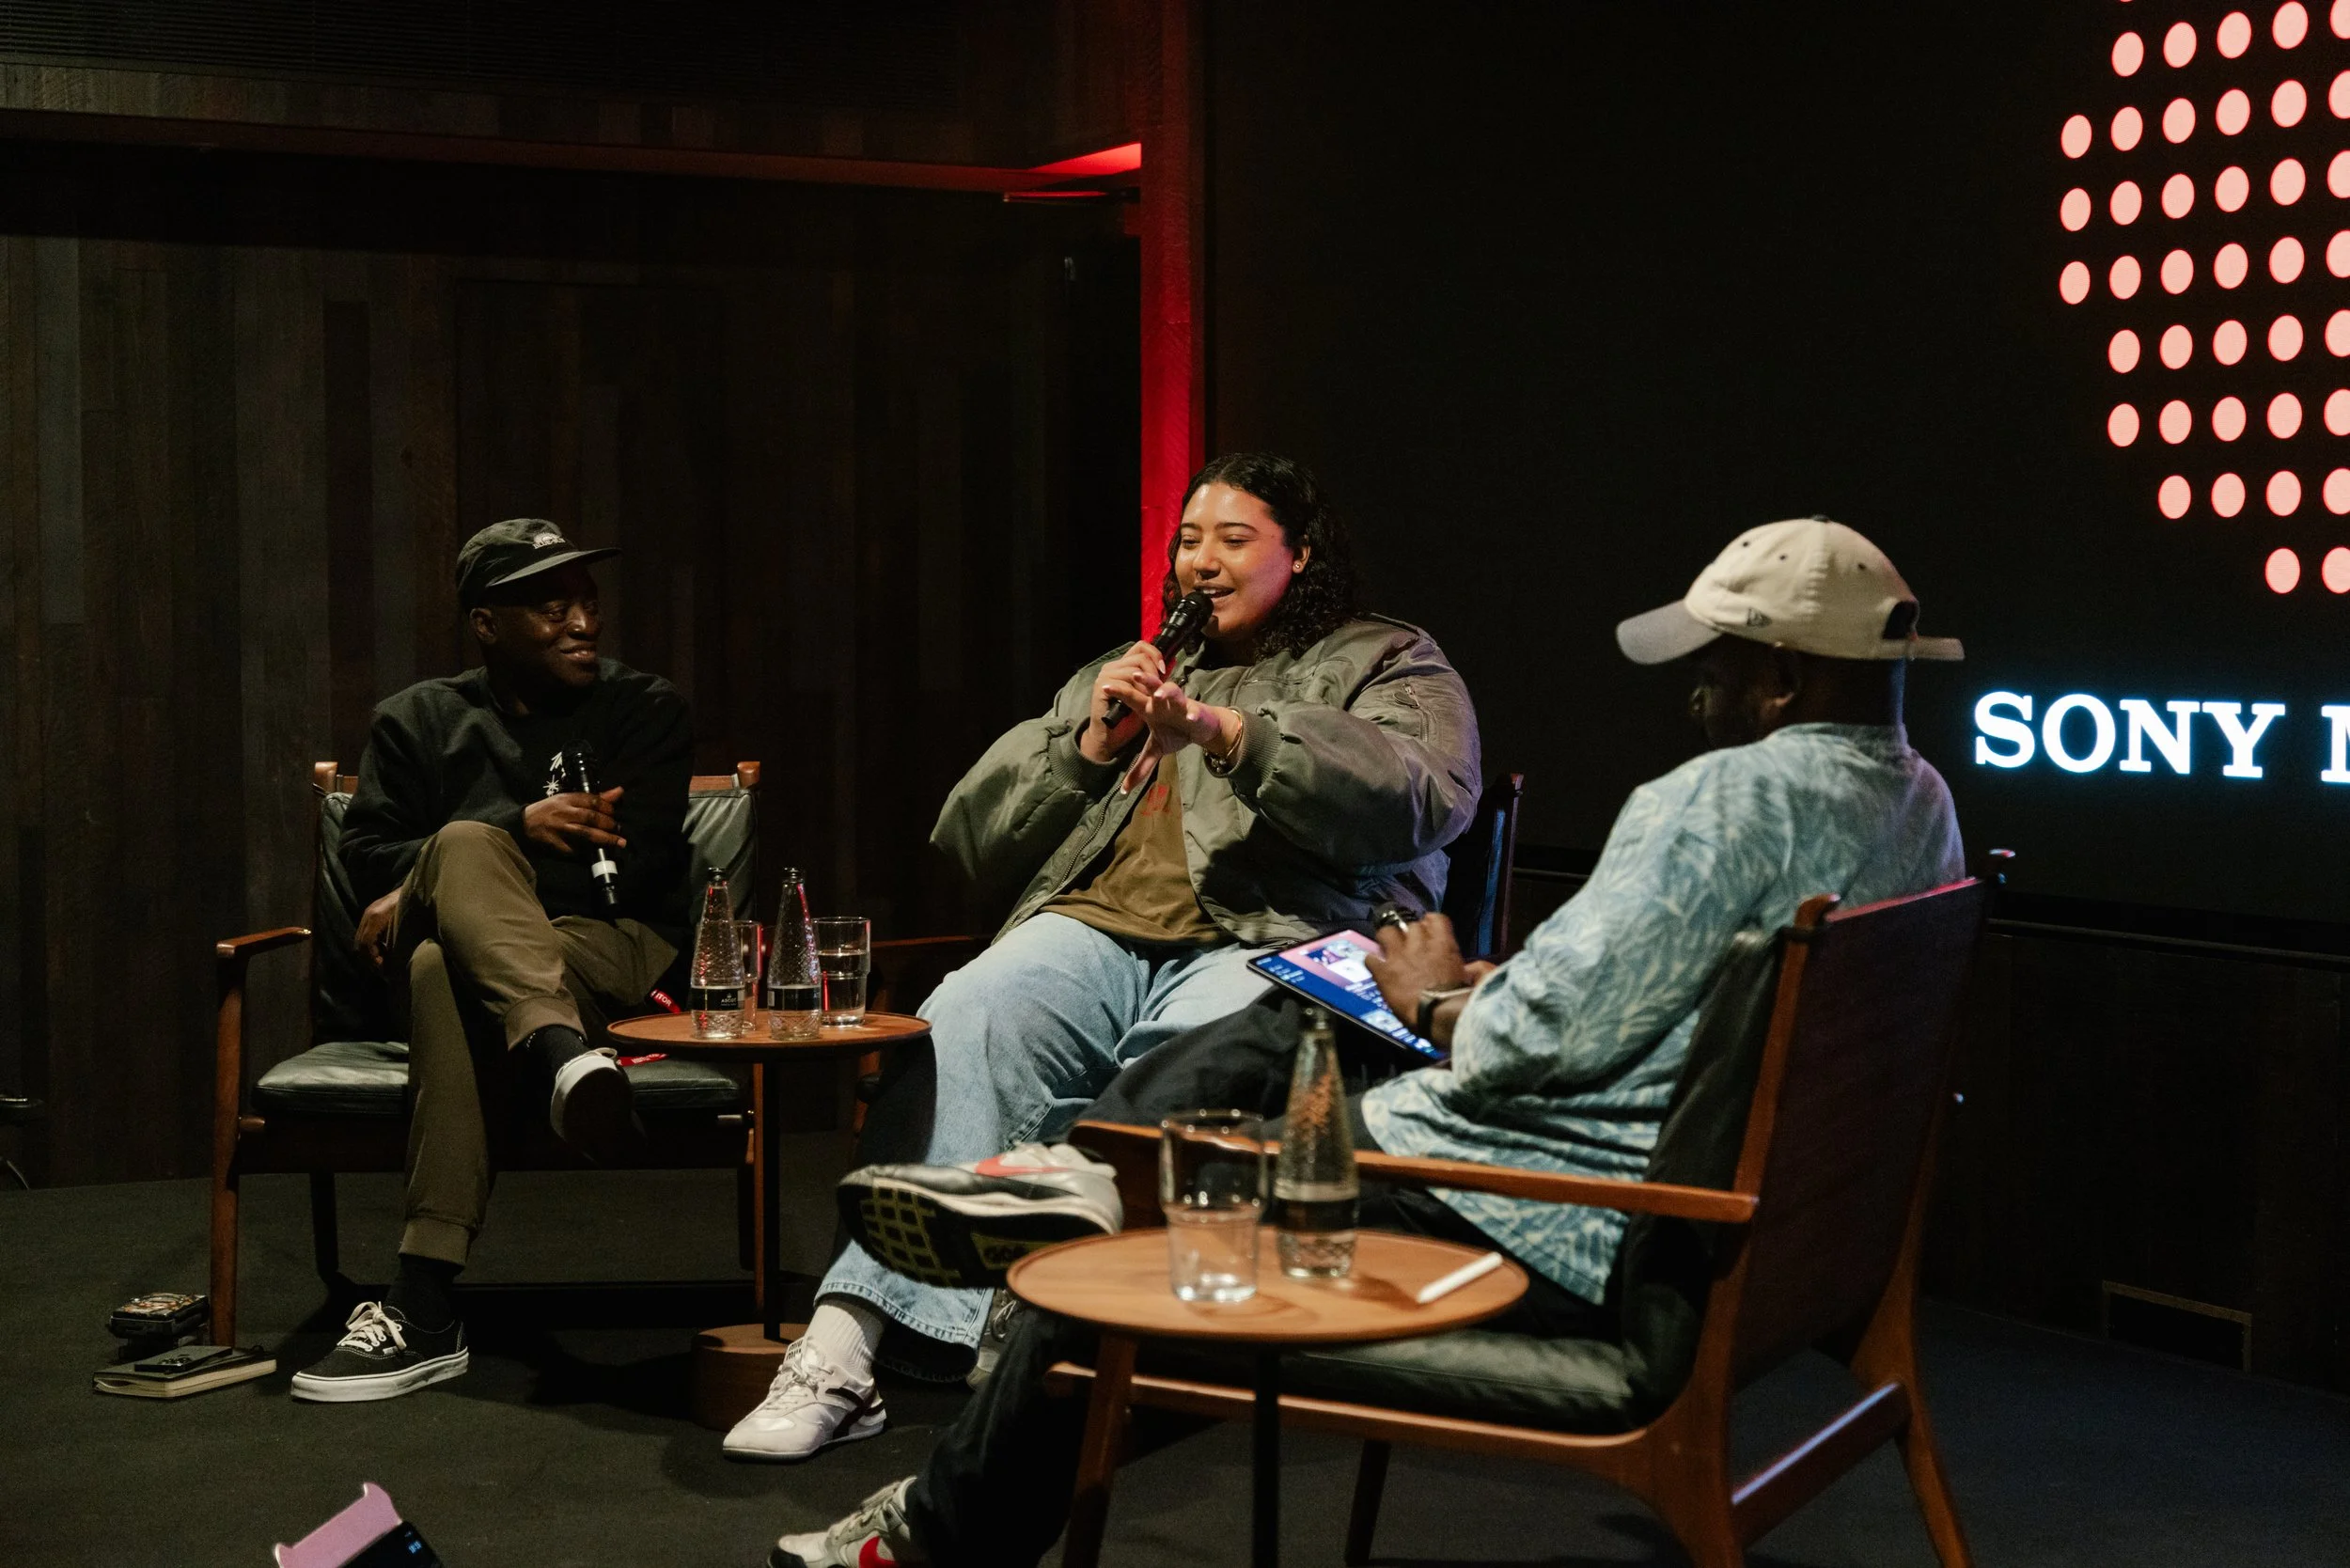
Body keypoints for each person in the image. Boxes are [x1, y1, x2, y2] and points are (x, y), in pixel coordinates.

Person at [764, 515, 1967, 1566]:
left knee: (1125, 1268)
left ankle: (932, 1529)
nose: (1694, 694)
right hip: (1711, 1219)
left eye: (1713, 667)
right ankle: (1100, 1179)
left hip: (1534, 1210)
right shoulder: (1919, 803)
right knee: (1315, 1000)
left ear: (1780, 678)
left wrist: (1442, 1002)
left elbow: (1513, 1049)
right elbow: (1658, 997)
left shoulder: (1708, 800)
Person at [721, 453, 1482, 1462]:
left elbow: (1421, 795)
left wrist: (1230, 732)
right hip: (1094, 928)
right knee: (965, 1012)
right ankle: (841, 1341)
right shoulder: (1130, 666)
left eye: (1232, 539)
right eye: (1187, 540)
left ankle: (1043, 1322)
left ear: (1299, 555)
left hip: (1273, 934)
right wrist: (1084, 743)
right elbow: (969, 841)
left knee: (1182, 1054)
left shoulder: (1387, 657)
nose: (1198, 562)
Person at [290, 519, 694, 1403]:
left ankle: (425, 1303)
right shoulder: (417, 721)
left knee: (447, 938)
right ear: (487, 624)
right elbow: (361, 865)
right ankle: (560, 1059)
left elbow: (647, 860)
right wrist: (508, 836)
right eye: (554, 607)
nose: (584, 622)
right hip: (515, 984)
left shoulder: (644, 709)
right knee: (459, 892)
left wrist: (432, 878)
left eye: (589, 602)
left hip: (608, 948)